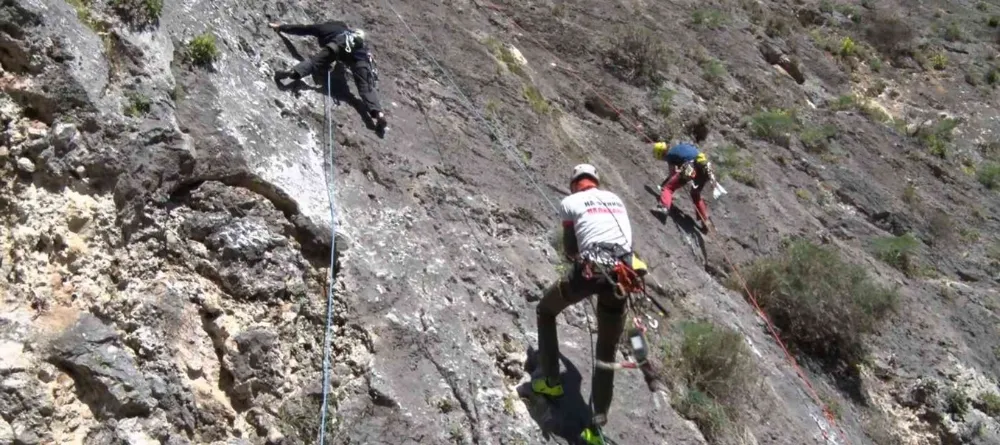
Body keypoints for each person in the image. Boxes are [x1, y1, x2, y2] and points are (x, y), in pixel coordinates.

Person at [532, 163, 647, 445]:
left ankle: (550, 383)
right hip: (621, 276)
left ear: (574, 184)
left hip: (588, 272)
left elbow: (571, 250)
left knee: (545, 310)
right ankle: (596, 431)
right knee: (606, 355)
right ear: (596, 182)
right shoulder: (616, 199)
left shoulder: (569, 202)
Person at [268, 20, 388, 131]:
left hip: (336, 47)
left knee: (314, 63)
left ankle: (293, 72)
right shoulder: (355, 37)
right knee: (366, 88)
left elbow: (303, 29)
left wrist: (281, 27)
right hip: (361, 60)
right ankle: (378, 114)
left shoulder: (325, 28)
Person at [651, 141, 717, 233]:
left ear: (660, 154)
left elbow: (672, 174)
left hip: (691, 167)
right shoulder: (680, 148)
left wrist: (663, 185)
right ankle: (706, 221)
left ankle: (663, 207)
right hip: (705, 169)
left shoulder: (670, 155)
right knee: (695, 195)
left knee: (668, 188)